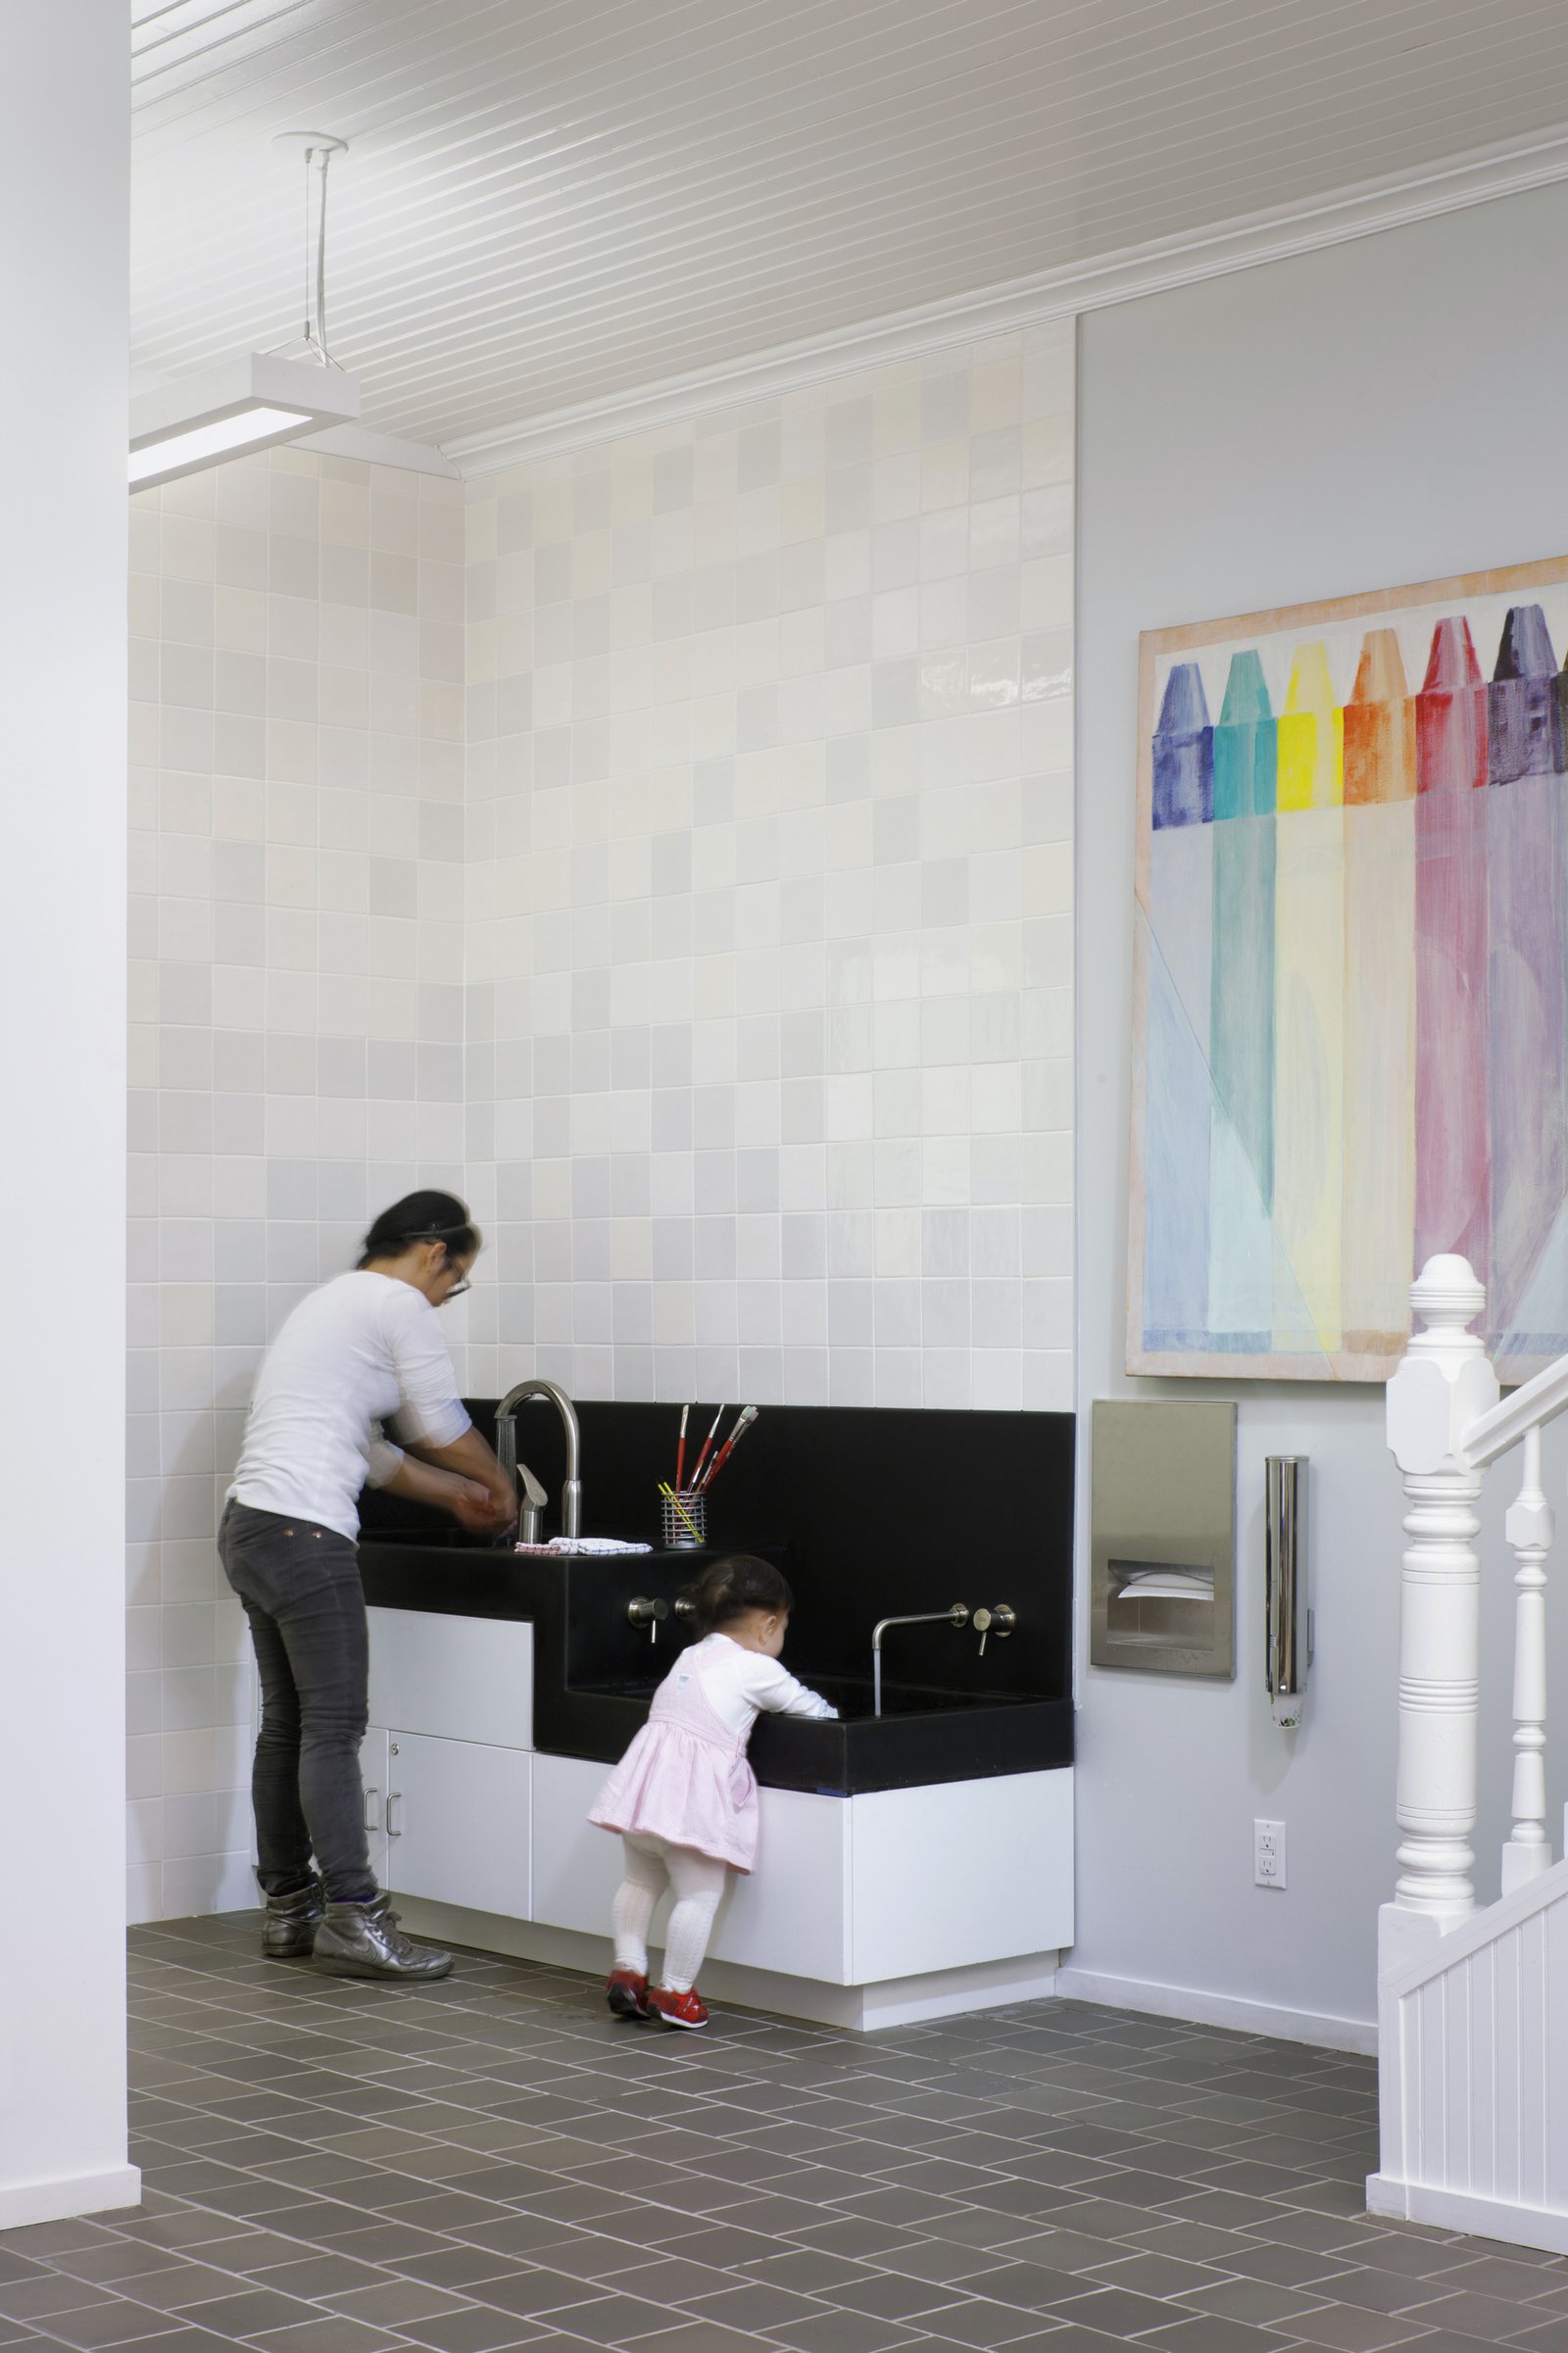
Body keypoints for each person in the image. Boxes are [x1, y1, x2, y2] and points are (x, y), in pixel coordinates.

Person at [220, 1190, 516, 1982]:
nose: (444, 1299)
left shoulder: (329, 1304)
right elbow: (436, 1420)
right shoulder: (395, 1302)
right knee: (333, 1727)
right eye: (453, 1284)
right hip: (304, 1535)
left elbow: (374, 1452)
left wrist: (455, 1495)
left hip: (251, 1525)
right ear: (433, 1252)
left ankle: (291, 1909)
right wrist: (500, 1485)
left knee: (287, 1725)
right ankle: (355, 1915)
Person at [588, 1554, 836, 2030]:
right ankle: (676, 1993)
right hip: (688, 1804)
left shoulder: (691, 1655)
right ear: (767, 1626)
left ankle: (629, 1972)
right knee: (698, 1896)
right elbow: (811, 1709)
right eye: (783, 1626)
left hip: (642, 1795)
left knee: (640, 1882)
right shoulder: (754, 1668)